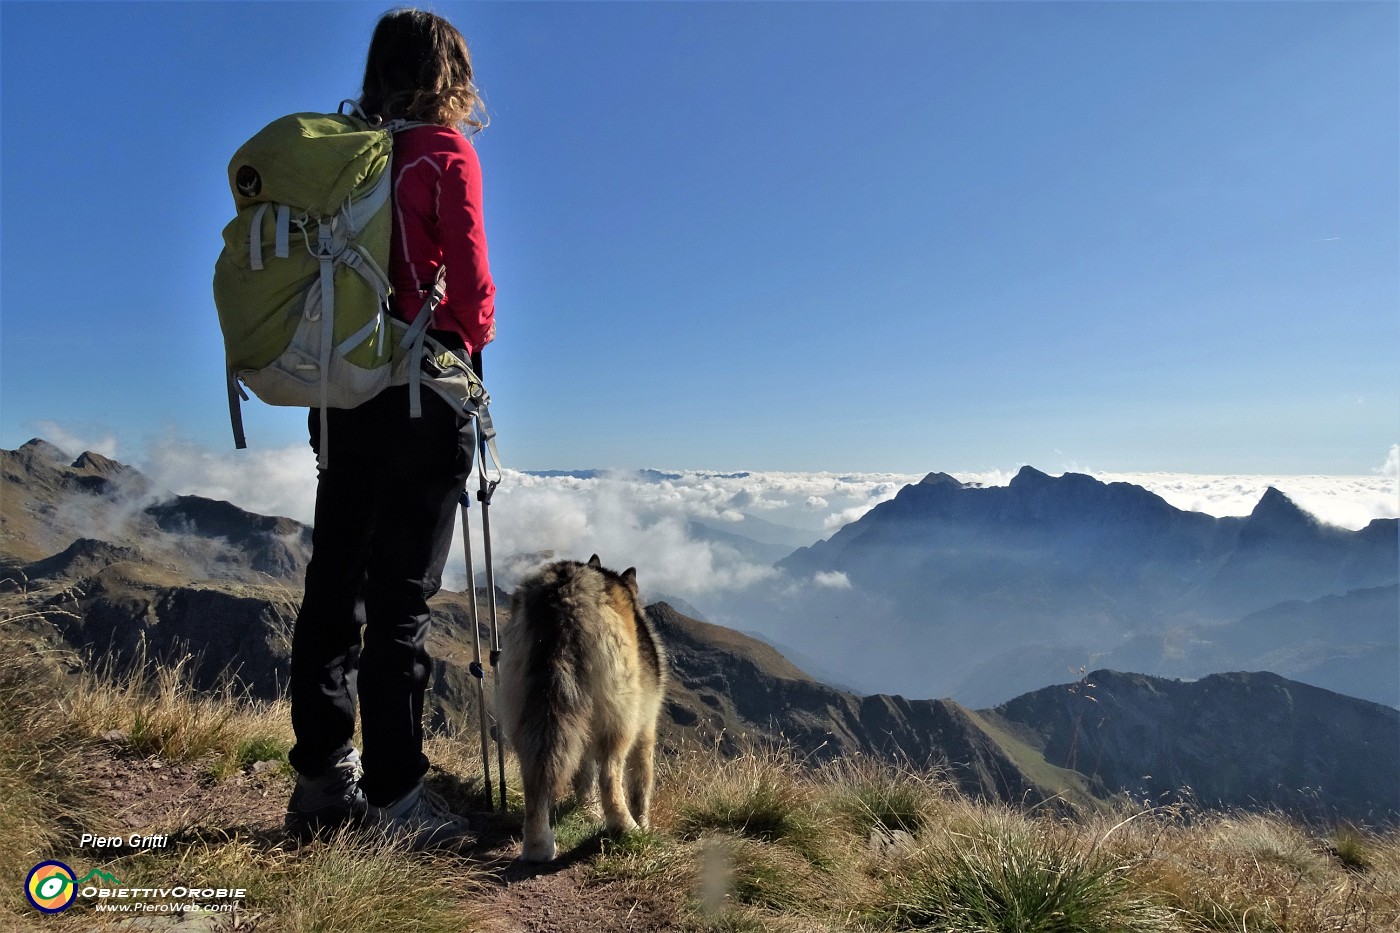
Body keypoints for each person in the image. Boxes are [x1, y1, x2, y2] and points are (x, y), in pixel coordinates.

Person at [283, 8, 496, 849]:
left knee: (333, 583)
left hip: (340, 399)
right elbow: (473, 291)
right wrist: (464, 341)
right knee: (401, 601)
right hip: (421, 397)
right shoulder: (443, 153)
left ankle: (319, 781)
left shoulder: (339, 159)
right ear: (449, 73)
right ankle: (399, 801)